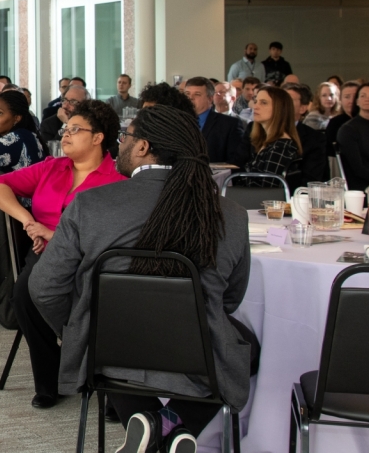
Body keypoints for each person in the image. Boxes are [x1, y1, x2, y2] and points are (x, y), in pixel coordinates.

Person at [29, 106, 252, 453]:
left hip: (110, 345)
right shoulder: (232, 214)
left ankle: (152, 427)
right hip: (196, 349)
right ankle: (175, 425)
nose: (119, 146)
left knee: (103, 330)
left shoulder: (90, 205)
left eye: (124, 138)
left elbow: (44, 287)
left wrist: (75, 327)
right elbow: (231, 298)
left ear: (143, 146)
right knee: (246, 345)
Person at [0, 99, 125, 408]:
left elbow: (114, 231)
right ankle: (51, 379)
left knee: (102, 298)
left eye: (75, 129)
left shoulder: (118, 179)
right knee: (25, 292)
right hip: (46, 254)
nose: (65, 134)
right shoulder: (52, 167)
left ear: (98, 137)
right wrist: (29, 222)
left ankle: (102, 375)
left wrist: (56, 234)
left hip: (93, 258)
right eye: (65, 128)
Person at [183, 77, 251, 166]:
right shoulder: (176, 122)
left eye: (197, 94)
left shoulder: (229, 124)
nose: (190, 98)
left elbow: (236, 162)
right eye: (187, 94)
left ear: (210, 98)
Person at [240, 86, 302, 183]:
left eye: (263, 103)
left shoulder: (281, 146)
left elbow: (266, 189)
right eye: (256, 101)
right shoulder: (265, 141)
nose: (255, 106)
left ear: (280, 109)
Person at [285, 82, 328, 185]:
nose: (282, 104)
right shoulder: (260, 133)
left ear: (302, 108)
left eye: (288, 100)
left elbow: (311, 181)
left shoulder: (315, 140)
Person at [325, 81, 360, 154]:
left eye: (355, 97)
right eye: (347, 97)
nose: (351, 101)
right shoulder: (334, 123)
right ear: (340, 100)